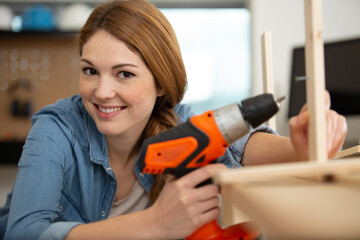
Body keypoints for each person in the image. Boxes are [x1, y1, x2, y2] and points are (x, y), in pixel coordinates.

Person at [0, 0, 347, 239]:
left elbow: (243, 145)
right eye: (90, 70)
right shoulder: (55, 129)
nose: (102, 91)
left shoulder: (181, 126)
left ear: (162, 83)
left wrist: (301, 146)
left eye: (124, 74)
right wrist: (153, 224)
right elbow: (23, 234)